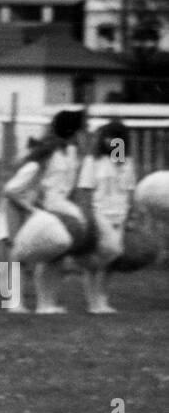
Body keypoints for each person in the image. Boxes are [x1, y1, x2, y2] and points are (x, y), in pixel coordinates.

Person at [0, 109, 88, 314]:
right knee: (17, 256)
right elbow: (11, 190)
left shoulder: (70, 154)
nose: (83, 136)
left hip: (45, 210)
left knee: (55, 254)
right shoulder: (43, 156)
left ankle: (47, 304)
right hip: (19, 208)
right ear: (72, 132)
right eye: (80, 131)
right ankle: (15, 303)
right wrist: (31, 209)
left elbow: (63, 187)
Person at [69, 120, 138, 314]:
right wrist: (88, 216)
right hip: (100, 215)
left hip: (120, 215)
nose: (109, 141)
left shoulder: (125, 162)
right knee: (100, 258)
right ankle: (93, 301)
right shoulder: (93, 162)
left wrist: (130, 214)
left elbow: (129, 189)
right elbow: (85, 189)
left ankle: (102, 299)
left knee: (110, 261)